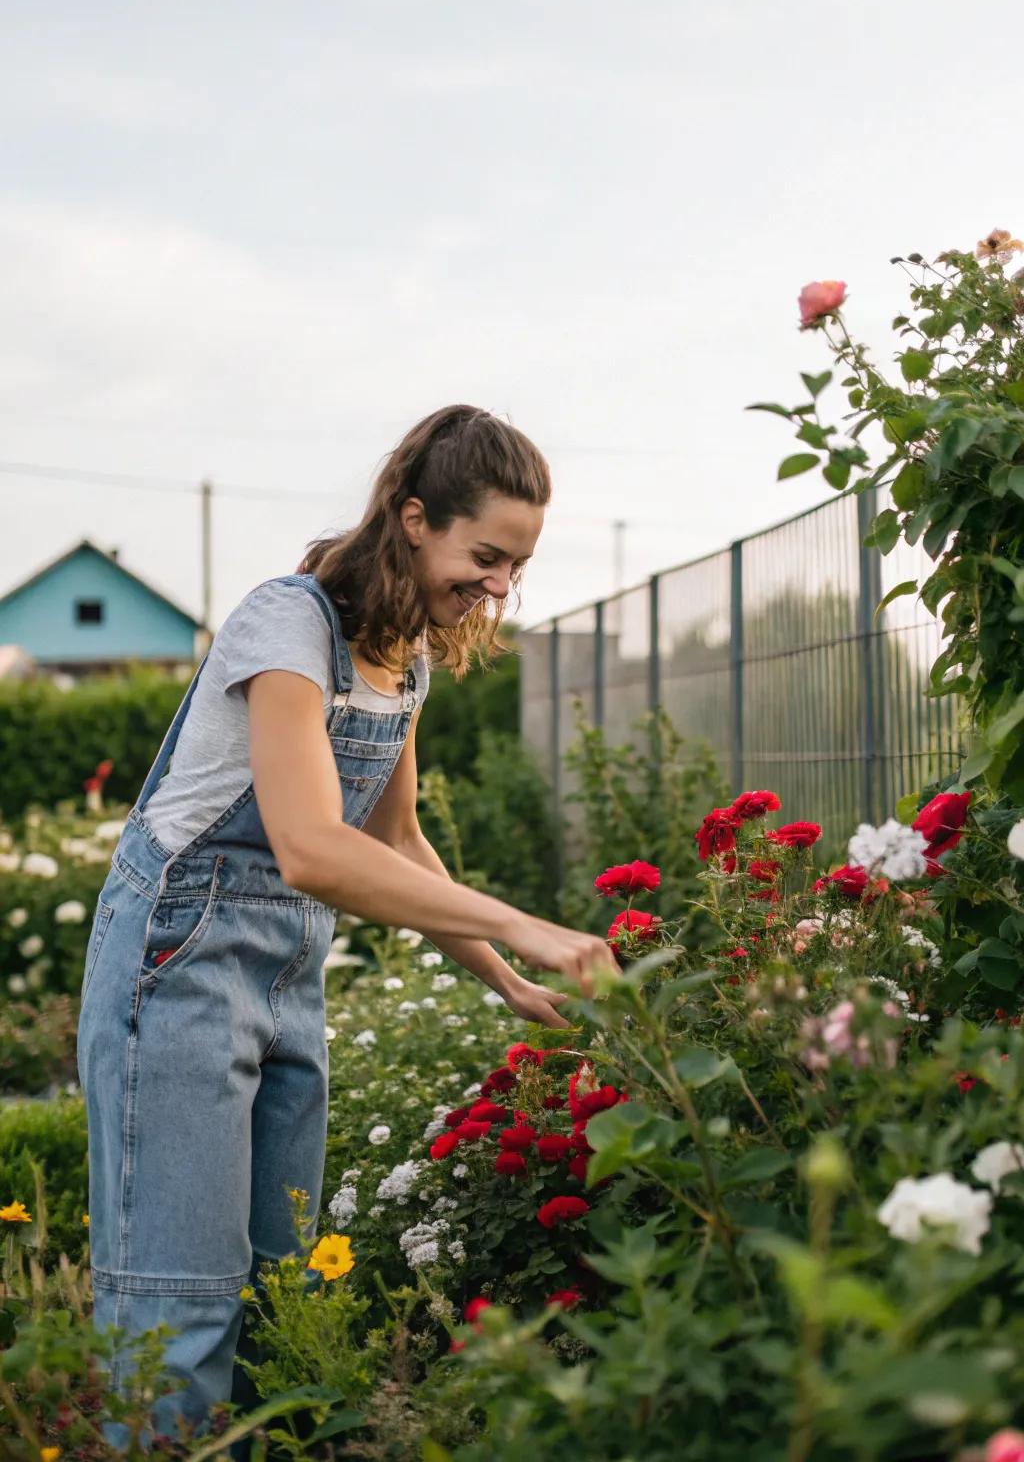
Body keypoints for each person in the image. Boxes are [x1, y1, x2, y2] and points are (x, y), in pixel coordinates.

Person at [76, 403, 619, 1450]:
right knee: (177, 1311)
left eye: (517, 565)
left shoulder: (403, 654)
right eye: (486, 554)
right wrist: (530, 924)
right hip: (176, 963)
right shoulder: (288, 622)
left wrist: (505, 978)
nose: (500, 585)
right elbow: (313, 848)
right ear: (414, 518)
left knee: (283, 1294)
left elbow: (397, 839)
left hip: (285, 975)